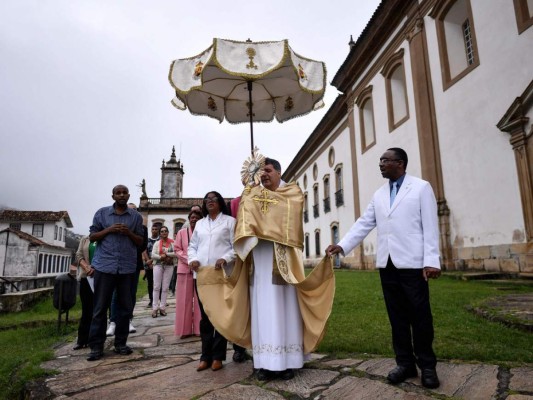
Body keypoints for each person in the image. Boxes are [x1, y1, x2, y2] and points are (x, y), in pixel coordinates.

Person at [196, 158, 335, 381]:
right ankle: (263, 363)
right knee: (261, 309)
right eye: (262, 172)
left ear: (279, 172)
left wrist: (260, 207)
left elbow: (288, 216)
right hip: (258, 258)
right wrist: (250, 200)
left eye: (268, 171)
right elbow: (245, 222)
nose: (264, 175)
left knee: (285, 308)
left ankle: (288, 362)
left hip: (284, 262)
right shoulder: (254, 195)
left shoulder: (292, 193)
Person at [326, 147, 441, 389]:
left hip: (413, 264)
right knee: (397, 317)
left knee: (420, 317)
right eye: (380, 160)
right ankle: (405, 363)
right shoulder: (379, 194)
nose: (380, 164)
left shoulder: (420, 188)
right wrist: (342, 245)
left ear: (400, 163)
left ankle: (428, 366)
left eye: (385, 160)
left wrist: (431, 260)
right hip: (387, 264)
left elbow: (430, 226)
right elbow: (364, 223)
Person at [86, 185, 144, 361]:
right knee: (100, 308)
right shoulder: (102, 213)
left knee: (125, 308)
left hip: (127, 267)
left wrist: (129, 233)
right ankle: (96, 347)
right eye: (118, 193)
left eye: (124, 192)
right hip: (105, 266)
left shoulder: (136, 217)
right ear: (113, 196)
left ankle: (121, 343)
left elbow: (141, 242)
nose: (121, 195)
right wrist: (109, 230)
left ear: (128, 195)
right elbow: (93, 236)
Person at [188, 191, 236, 372]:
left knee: (220, 316)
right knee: (205, 317)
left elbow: (236, 247)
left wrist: (225, 257)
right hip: (202, 275)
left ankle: (218, 356)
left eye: (213, 199)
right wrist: (192, 258)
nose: (209, 202)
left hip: (221, 275)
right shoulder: (199, 224)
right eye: (206, 200)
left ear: (220, 203)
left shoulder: (230, 222)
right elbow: (192, 246)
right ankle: (205, 356)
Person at [106, 203, 147, 336]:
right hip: (116, 263)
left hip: (133, 263)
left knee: (131, 293)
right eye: (130, 210)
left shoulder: (142, 228)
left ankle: (128, 319)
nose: (132, 212)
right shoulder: (115, 225)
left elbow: (142, 246)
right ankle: (113, 321)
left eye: (135, 210)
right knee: (115, 294)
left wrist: (130, 236)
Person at [173, 209, 202, 338]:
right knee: (183, 300)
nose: (194, 219)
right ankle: (183, 330)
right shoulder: (181, 232)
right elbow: (177, 249)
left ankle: (198, 329)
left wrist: (197, 261)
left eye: (197, 217)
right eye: (192, 217)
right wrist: (189, 260)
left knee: (199, 301)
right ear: (188, 219)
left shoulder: (203, 232)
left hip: (200, 270)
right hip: (184, 270)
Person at [73, 235, 96, 350]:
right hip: (86, 277)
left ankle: (94, 339)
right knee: (86, 309)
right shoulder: (85, 239)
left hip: (101, 277)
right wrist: (86, 267)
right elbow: (79, 255)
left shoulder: (106, 237)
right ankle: (82, 339)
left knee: (97, 310)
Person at [151, 226, 177, 317]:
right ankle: (154, 309)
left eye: (165, 231)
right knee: (156, 286)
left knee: (165, 288)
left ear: (168, 232)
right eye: (162, 231)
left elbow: (176, 252)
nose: (164, 232)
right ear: (160, 233)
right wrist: (160, 257)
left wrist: (166, 254)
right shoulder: (157, 243)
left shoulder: (173, 243)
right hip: (158, 265)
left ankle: (162, 308)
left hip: (169, 266)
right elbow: (153, 255)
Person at [142, 224, 160, 309]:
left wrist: (152, 261)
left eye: (156, 229)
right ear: (151, 230)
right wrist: (148, 262)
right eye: (153, 229)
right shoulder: (147, 240)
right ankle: (151, 300)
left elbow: (160, 252)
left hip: (158, 264)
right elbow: (144, 251)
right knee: (150, 283)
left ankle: (159, 299)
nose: (154, 230)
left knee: (158, 283)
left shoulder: (160, 240)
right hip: (148, 266)